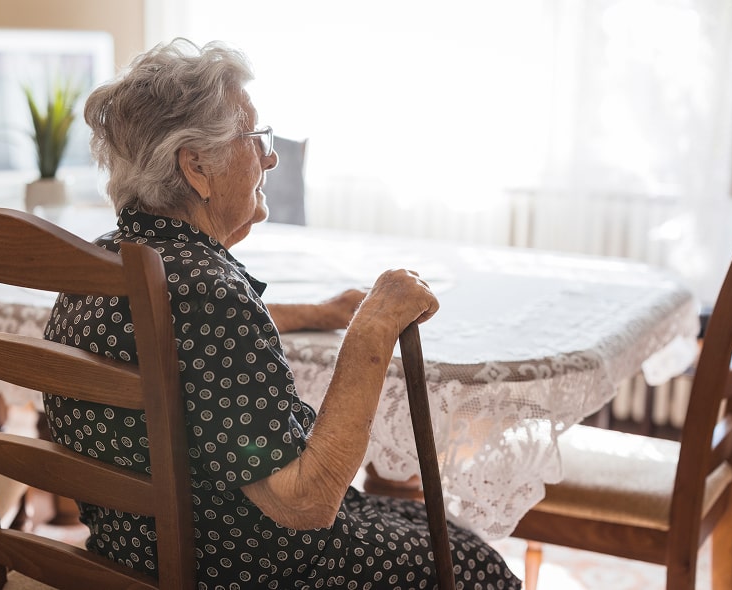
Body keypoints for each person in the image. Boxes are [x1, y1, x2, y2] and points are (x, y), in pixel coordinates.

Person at [43, 38, 522, 590]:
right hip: (249, 571)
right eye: (254, 138)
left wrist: (317, 311)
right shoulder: (210, 294)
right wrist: (375, 324)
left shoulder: (106, 264)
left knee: (435, 530)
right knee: (474, 566)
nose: (270, 157)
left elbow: (189, 339)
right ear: (196, 167)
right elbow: (308, 503)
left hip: (134, 552)